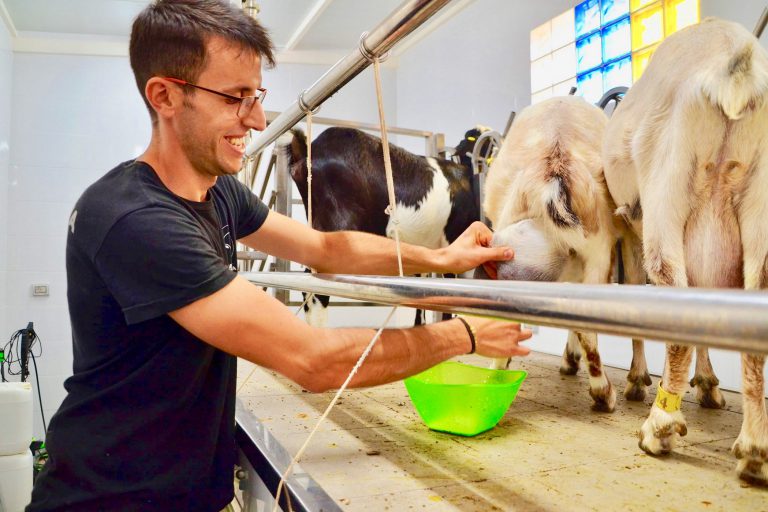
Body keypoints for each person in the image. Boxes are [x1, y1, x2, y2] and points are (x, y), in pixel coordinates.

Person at [26, 1, 532, 510]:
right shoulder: (135, 219)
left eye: (256, 95)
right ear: (165, 97)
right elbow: (314, 360)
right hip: (106, 499)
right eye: (235, 98)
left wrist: (443, 257)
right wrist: (465, 334)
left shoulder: (219, 192)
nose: (257, 118)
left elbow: (327, 247)